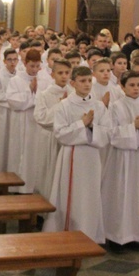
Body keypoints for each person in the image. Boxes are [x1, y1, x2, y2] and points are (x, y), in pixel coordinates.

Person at [42, 66, 109, 243]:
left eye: (89, 81)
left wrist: (92, 127)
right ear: (73, 83)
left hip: (92, 157)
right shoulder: (64, 105)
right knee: (71, 195)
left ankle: (89, 234)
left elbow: (107, 133)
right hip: (71, 156)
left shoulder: (99, 106)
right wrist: (82, 124)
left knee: (90, 194)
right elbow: (60, 133)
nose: (87, 85)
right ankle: (68, 232)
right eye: (82, 81)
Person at [101, 70, 139, 251]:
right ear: (122, 86)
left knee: (138, 195)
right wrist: (133, 127)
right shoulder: (115, 107)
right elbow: (111, 133)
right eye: (132, 85)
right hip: (121, 159)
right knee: (121, 195)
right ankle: (116, 237)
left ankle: (136, 235)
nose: (136, 88)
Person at [33, 59, 73, 201]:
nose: (64, 76)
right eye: (60, 73)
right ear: (52, 74)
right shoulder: (44, 94)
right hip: (50, 139)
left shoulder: (74, 93)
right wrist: (60, 105)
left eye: (67, 73)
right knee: (48, 174)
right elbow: (41, 118)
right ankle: (44, 211)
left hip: (68, 141)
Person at [6, 48, 43, 193]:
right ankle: (16, 186)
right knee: (19, 152)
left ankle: (33, 186)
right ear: (25, 63)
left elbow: (43, 101)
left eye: (37, 66)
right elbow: (13, 102)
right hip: (21, 122)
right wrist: (30, 92)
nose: (34, 70)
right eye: (31, 66)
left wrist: (34, 98)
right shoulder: (16, 80)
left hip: (36, 124)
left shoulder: (43, 80)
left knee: (34, 154)